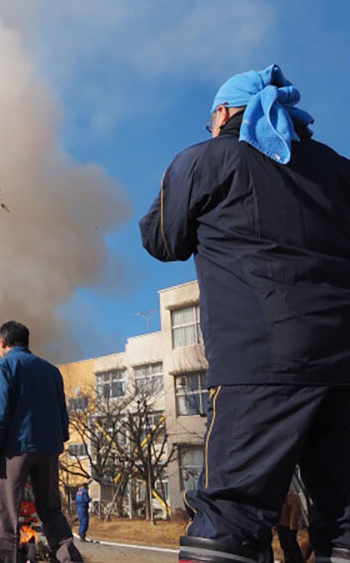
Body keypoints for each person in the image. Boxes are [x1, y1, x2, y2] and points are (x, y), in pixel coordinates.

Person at [139, 64, 350, 563]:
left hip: (264, 362)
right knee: (344, 519)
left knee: (230, 519)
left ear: (222, 113)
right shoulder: (339, 168)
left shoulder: (210, 158)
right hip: (345, 365)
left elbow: (161, 239)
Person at [0, 322, 82, 563]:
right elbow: (61, 410)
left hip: (16, 449)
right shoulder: (51, 371)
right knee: (50, 510)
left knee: (6, 513)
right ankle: (69, 558)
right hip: (49, 448)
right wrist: (60, 438)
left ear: (3, 343)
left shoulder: (4, 366)